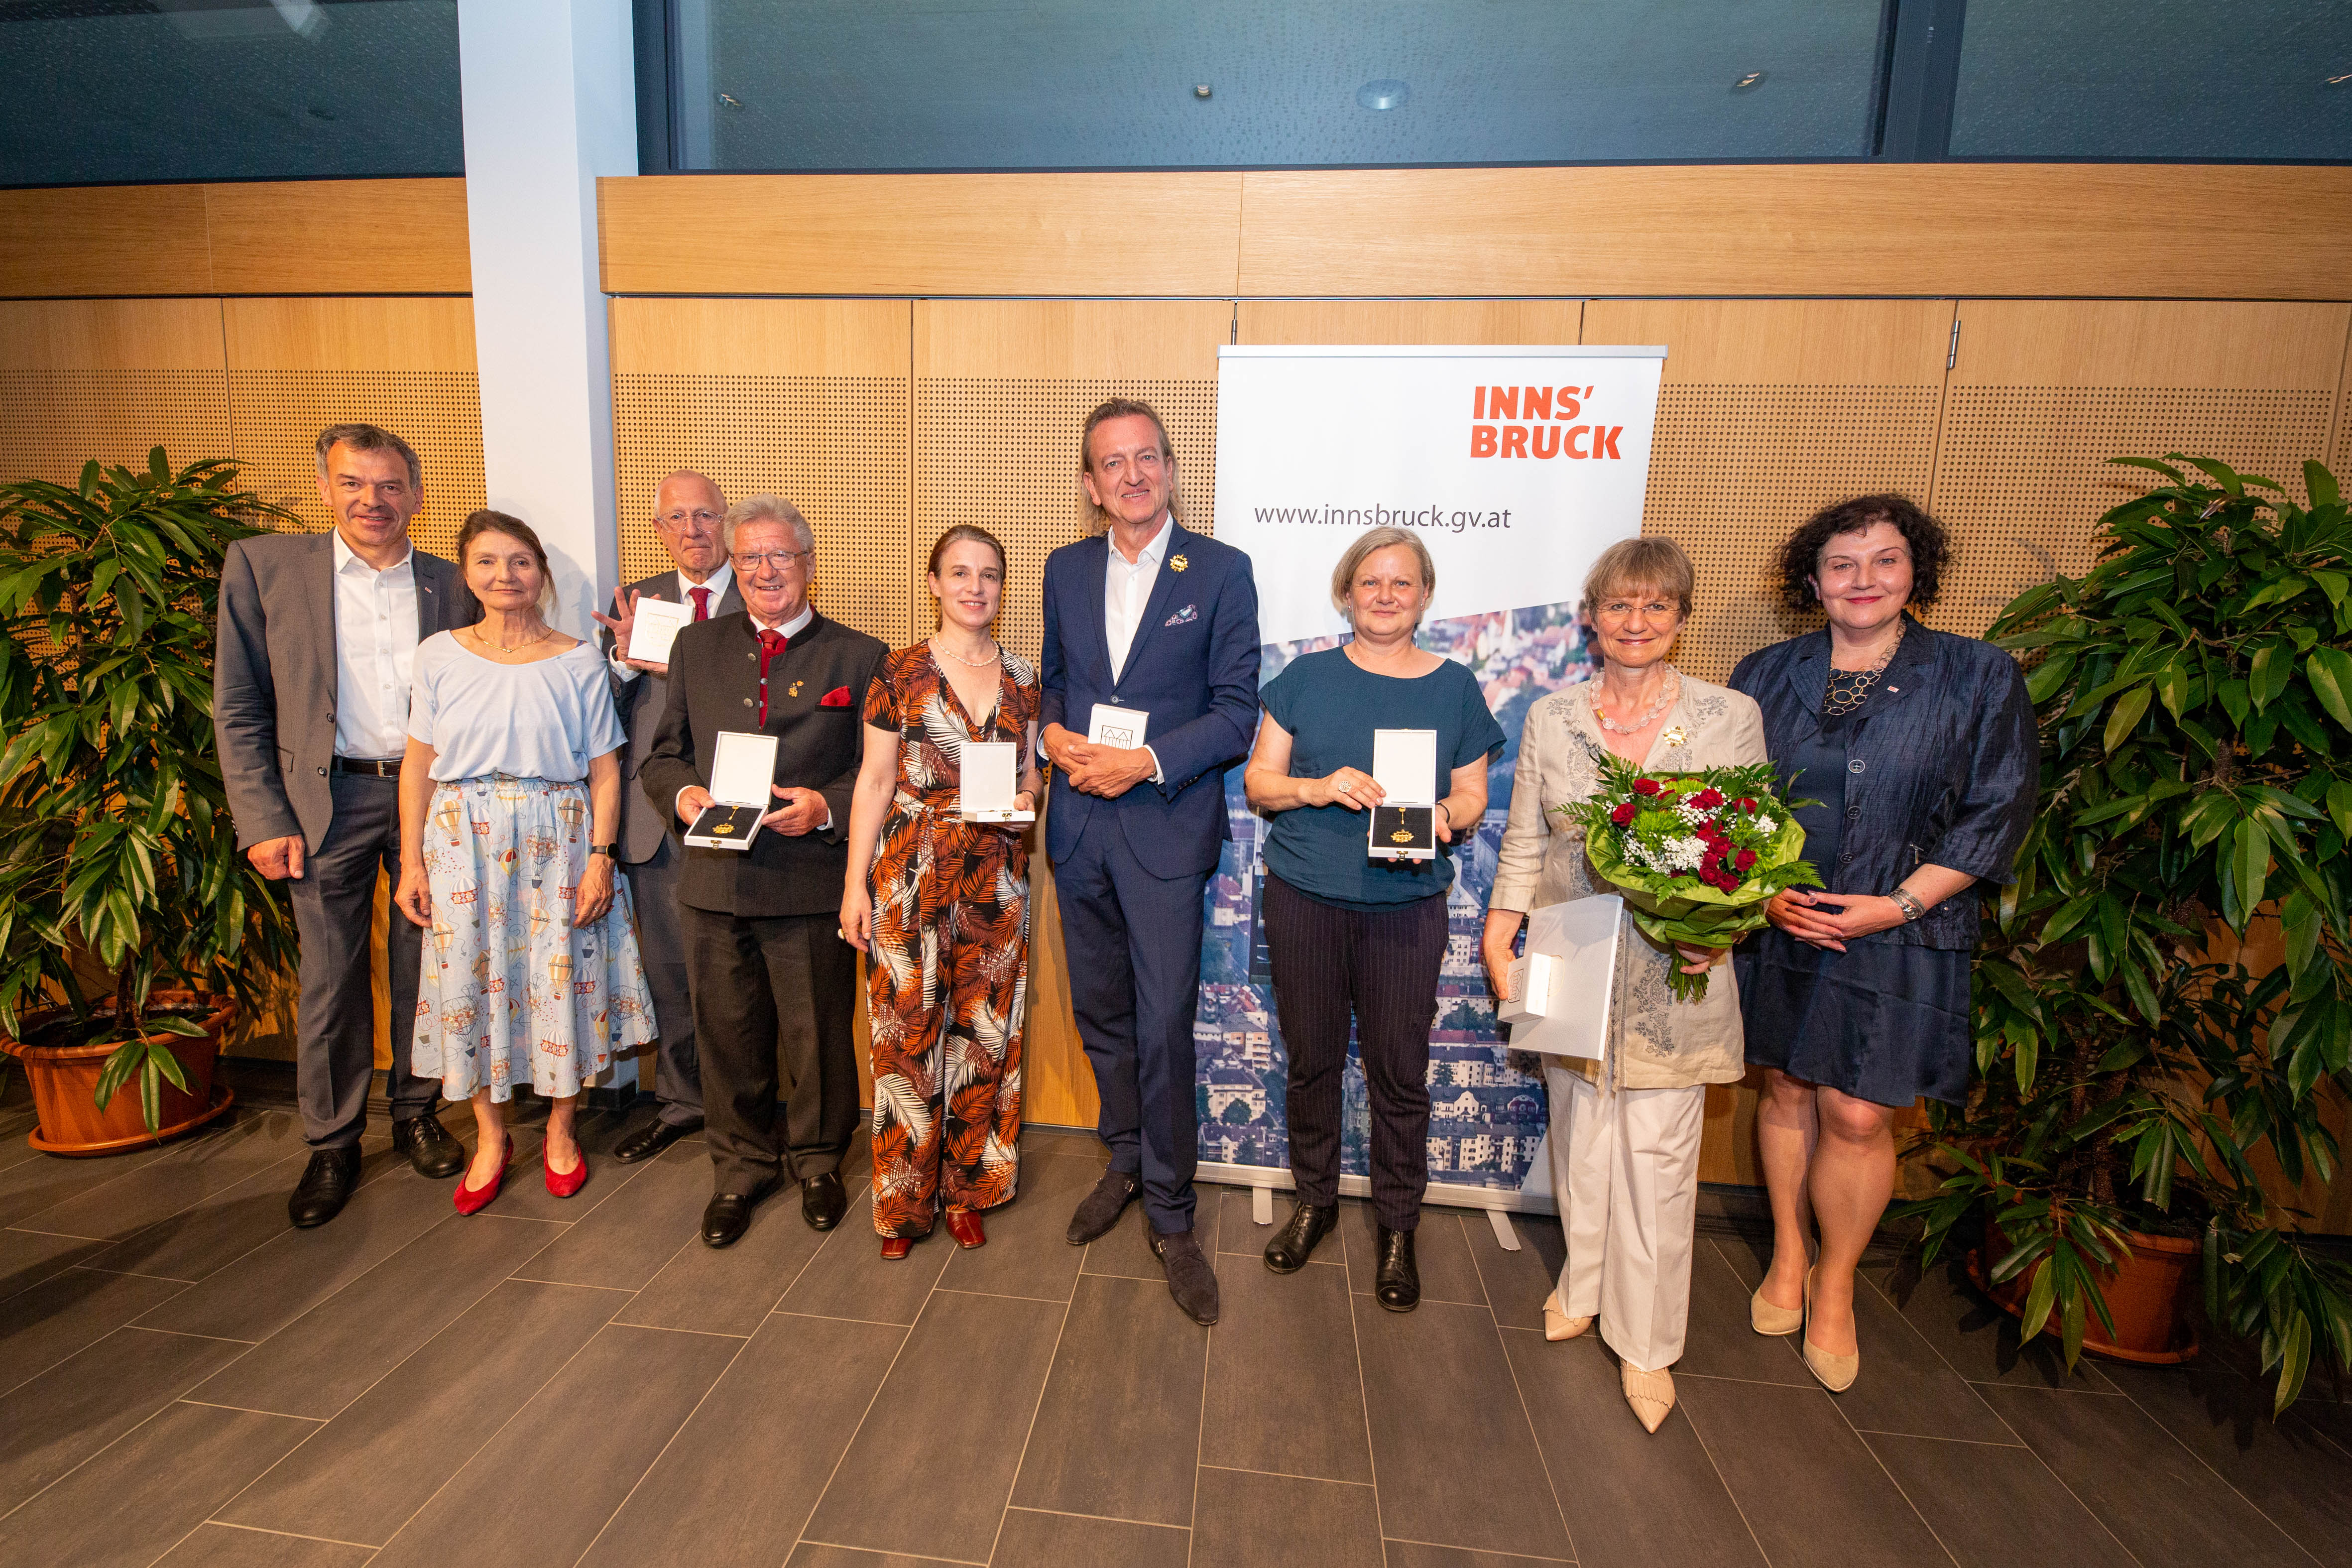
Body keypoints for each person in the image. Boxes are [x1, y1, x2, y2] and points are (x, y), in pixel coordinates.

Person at [1730, 495, 2035, 1393]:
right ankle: (1788, 1253)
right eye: (1842, 564)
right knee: (1785, 1084)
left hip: (1903, 924)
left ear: (1916, 571)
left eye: (1886, 561)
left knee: (1860, 1112)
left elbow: (1997, 813)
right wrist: (1762, 886)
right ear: (1812, 580)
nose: (1863, 581)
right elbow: (1734, 797)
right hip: (1784, 915)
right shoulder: (1766, 671)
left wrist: (1896, 905)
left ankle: (1836, 1285)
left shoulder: (1978, 676)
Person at [1482, 537, 1764, 1432]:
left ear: (1681, 619)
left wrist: (1722, 932)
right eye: (1619, 606)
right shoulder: (1551, 715)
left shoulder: (1729, 716)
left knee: (1657, 1159)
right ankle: (1585, 1280)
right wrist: (1501, 932)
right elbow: (1527, 835)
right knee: (1580, 1136)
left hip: (1676, 963)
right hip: (1570, 948)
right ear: (1591, 616)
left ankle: (1649, 1345)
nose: (1636, 623)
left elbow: (1751, 849)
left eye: (1657, 607)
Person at [214, 423, 480, 1227]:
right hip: (323, 801)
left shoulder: (451, 582)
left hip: (431, 799)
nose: (374, 500)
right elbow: (238, 704)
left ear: (418, 497)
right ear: (324, 488)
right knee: (331, 977)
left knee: (426, 962)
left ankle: (415, 1112)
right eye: (355, 483)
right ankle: (332, 1141)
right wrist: (262, 816)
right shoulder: (265, 569)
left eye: (391, 485)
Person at [1038, 397, 1259, 1326]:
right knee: (1103, 1015)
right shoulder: (1064, 568)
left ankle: (1174, 1213)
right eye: (1112, 464)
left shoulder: (1218, 570)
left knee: (1165, 1024)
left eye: (1147, 459)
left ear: (1169, 468)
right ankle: (1125, 1158)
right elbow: (1053, 681)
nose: (1132, 475)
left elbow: (1238, 708)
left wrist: (1148, 759)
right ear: (1091, 486)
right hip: (1082, 829)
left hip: (1165, 826)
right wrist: (1051, 736)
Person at [1243, 527, 1501, 1313]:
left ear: (1425, 595)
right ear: (1345, 592)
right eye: (1370, 582)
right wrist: (1317, 788)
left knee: (1398, 1073)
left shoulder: (1455, 685)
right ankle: (1315, 1201)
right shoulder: (1305, 679)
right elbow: (1260, 781)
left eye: (1402, 583)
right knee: (1313, 1061)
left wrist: (1442, 816)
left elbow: (1474, 796)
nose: (1385, 595)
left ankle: (1398, 1226)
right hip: (1307, 899)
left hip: (1404, 908)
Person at [393, 510, 657, 1212]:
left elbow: (606, 767)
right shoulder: (438, 654)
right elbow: (417, 765)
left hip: (559, 833)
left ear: (540, 573)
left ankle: (563, 1132)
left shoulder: (577, 658)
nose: (505, 576)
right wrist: (411, 861)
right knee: (471, 982)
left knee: (557, 980)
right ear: (466, 573)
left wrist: (601, 857)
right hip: (460, 840)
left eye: (520, 562)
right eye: (487, 562)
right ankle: (490, 1136)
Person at [642, 496, 887, 1249]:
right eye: (749, 558)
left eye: (780, 556)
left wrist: (824, 805)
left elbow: (877, 770)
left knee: (815, 1034)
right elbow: (663, 755)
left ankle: (817, 1159)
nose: (765, 571)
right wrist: (683, 794)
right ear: (733, 565)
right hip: (716, 880)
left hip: (808, 876)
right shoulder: (698, 646)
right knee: (728, 1031)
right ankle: (742, 1166)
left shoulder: (858, 655)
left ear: (809, 565)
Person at [840, 525, 1044, 1258]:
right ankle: (902, 1206)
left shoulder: (1025, 676)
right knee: (905, 1040)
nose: (974, 587)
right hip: (910, 872)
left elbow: (1029, 775)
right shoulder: (898, 669)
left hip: (996, 875)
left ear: (1002, 587)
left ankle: (968, 1191)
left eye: (989, 574)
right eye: (959, 572)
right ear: (933, 582)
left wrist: (1029, 798)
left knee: (984, 1038)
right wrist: (853, 886)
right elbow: (873, 780)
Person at [588, 471, 740, 1164]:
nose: (692, 530)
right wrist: (622, 664)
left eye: (705, 515)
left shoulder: (762, 592)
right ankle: (683, 1102)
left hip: (743, 816)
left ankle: (751, 1106)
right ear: (658, 530)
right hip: (657, 821)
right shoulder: (636, 604)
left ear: (727, 521)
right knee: (672, 972)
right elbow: (599, 725)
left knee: (744, 975)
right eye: (676, 518)